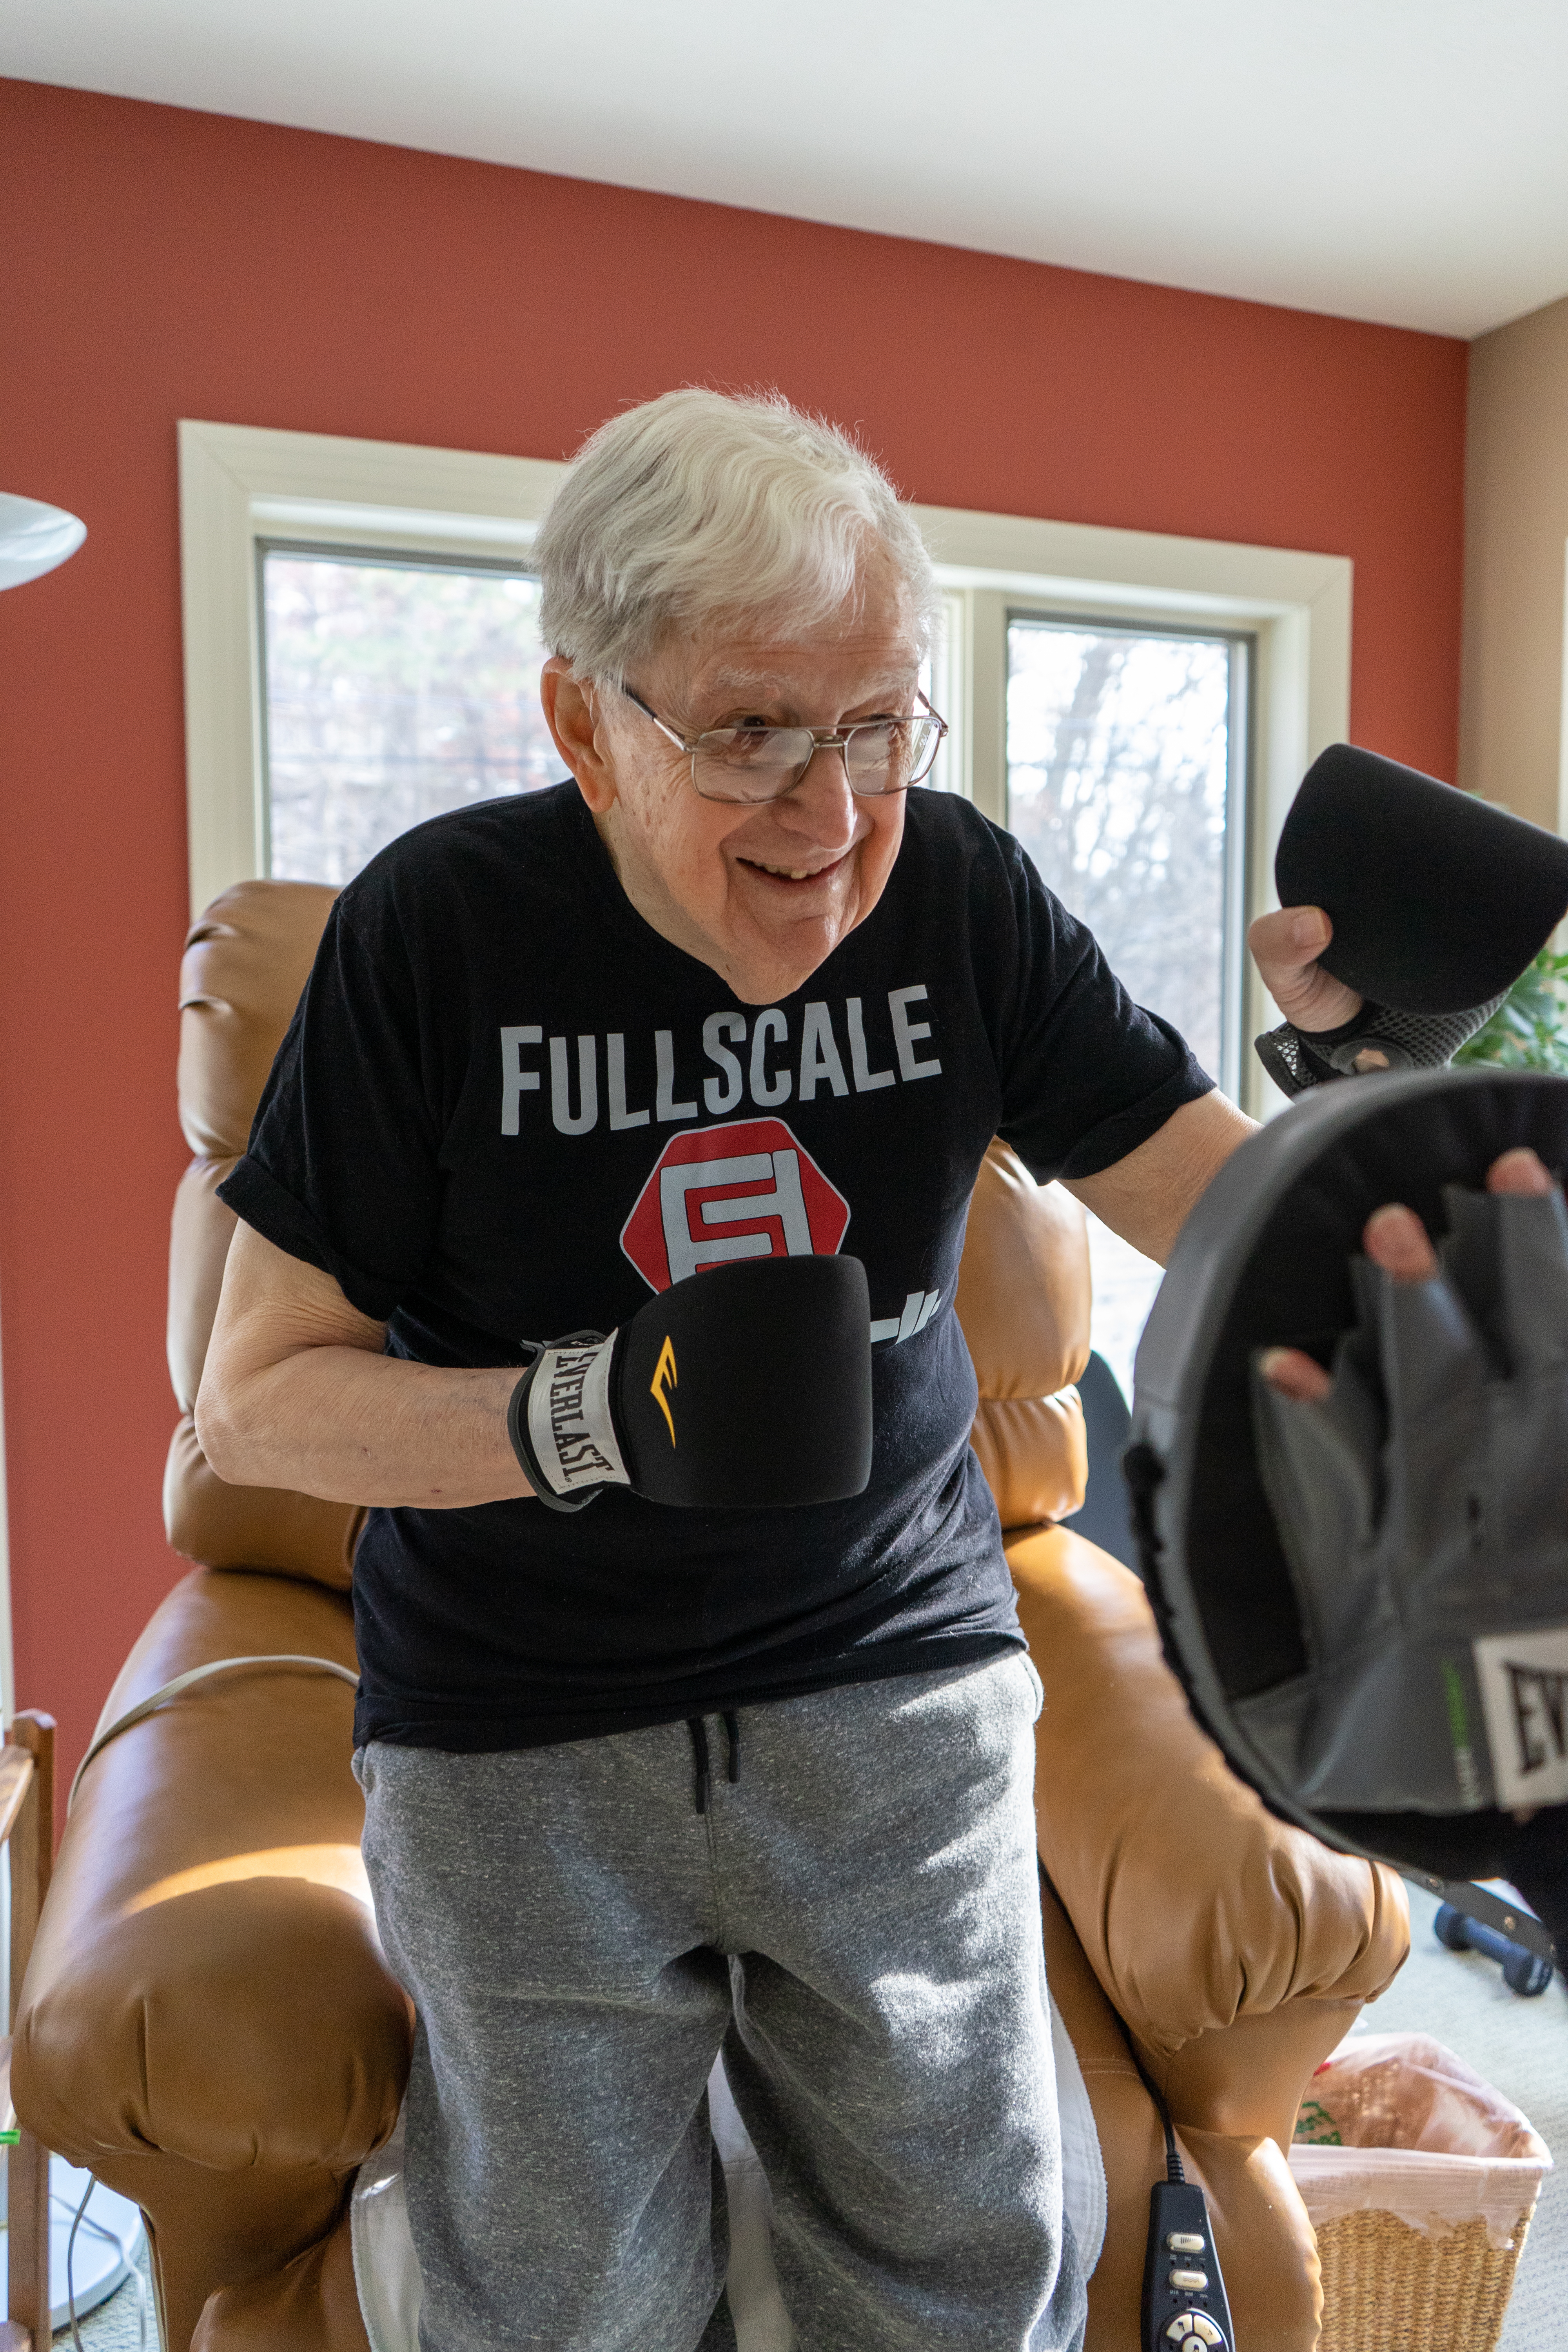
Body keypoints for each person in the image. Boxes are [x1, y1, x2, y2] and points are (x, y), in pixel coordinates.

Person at [194, 386, 1383, 2351]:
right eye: (747, 732)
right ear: (583, 719)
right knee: (560, 2309)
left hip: (885, 1686)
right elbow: (254, 1393)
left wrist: (1376, 1095)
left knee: (974, 2260)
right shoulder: (437, 936)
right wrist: (590, 1417)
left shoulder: (961, 899)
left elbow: (1223, 1212)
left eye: (870, 727)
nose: (827, 819)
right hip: (519, 1726)